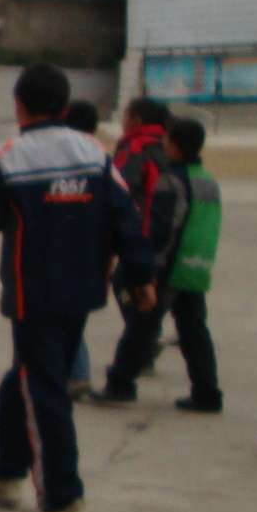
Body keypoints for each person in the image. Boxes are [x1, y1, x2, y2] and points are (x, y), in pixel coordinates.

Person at [0, 65, 154, 512]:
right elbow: (127, 216)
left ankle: (62, 499)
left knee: (43, 389)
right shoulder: (95, 154)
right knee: (27, 375)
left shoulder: (12, 158)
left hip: (33, 294)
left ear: (19, 106)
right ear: (64, 106)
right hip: (82, 291)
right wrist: (141, 274)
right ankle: (6, 468)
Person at [93, 98, 186, 407]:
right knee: (176, 305)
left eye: (125, 115)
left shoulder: (135, 147)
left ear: (135, 119)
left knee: (130, 290)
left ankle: (133, 362)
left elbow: (118, 189)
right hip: (175, 237)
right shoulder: (170, 145)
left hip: (144, 235)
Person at [160, 118, 224, 414]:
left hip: (171, 263)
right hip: (197, 263)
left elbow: (164, 226)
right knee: (194, 328)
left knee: (143, 324)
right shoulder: (208, 180)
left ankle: (120, 379)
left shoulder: (171, 180)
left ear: (174, 146)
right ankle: (207, 391)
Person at [62, 101, 102, 398]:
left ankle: (77, 374)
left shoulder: (67, 156)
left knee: (64, 316)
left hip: (67, 248)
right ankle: (76, 372)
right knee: (72, 316)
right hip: (92, 249)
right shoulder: (101, 157)